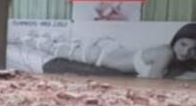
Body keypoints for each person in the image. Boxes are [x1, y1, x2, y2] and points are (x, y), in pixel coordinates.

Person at [39, 23, 196, 79]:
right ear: (176, 40)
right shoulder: (166, 53)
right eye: (183, 44)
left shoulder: (176, 59)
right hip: (102, 56)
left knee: (57, 46)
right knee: (53, 48)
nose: (186, 52)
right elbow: (155, 83)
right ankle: (20, 39)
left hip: (114, 53)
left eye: (193, 49)